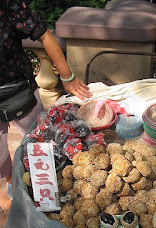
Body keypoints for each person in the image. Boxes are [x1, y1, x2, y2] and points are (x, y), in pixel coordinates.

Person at [0, 0, 91, 200]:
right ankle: (11, 184)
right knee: (0, 157)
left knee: (42, 140)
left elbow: (44, 34)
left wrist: (67, 77)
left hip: (18, 90)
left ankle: (49, 192)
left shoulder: (8, 5)